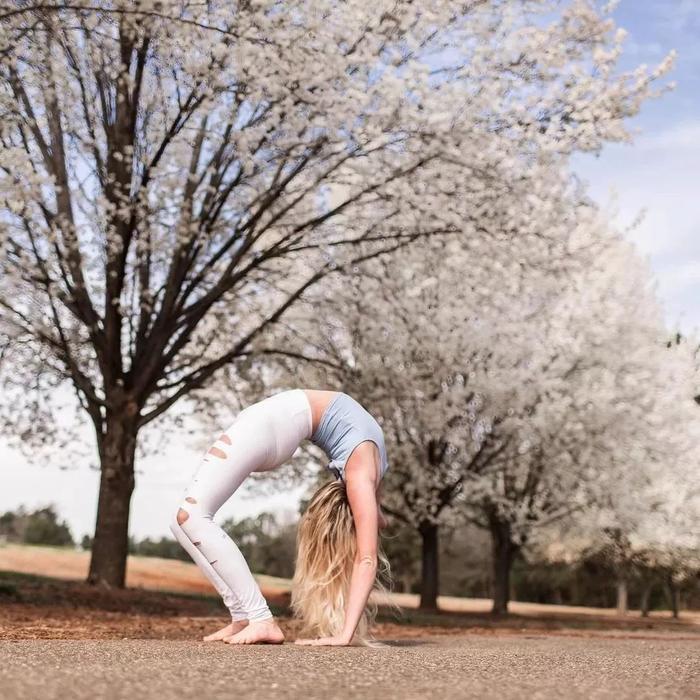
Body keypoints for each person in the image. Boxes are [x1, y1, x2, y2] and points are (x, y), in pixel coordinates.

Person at [170, 389, 390, 646]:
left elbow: (366, 558)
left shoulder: (362, 476)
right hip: (273, 426)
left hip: (269, 425)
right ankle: (241, 616)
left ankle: (260, 619)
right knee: (180, 523)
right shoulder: (369, 478)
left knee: (192, 516)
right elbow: (376, 521)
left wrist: (344, 635)